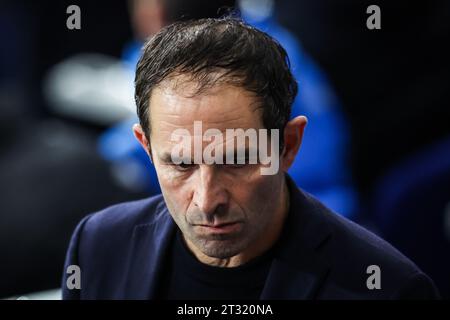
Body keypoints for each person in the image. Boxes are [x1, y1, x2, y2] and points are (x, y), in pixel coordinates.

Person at [62, 18, 439, 299]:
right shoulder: (97, 246)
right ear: (145, 147)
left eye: (237, 161)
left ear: (288, 145)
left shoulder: (385, 288)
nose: (207, 201)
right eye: (181, 164)